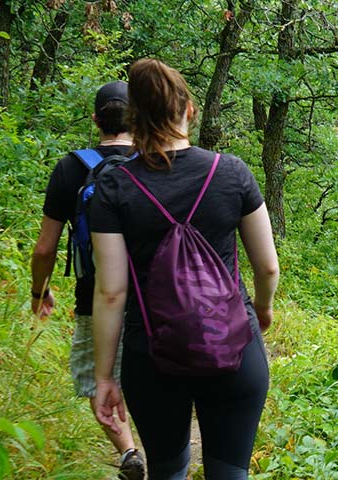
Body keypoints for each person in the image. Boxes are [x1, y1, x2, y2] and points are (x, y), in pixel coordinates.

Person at [87, 58, 280, 480]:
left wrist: (104, 376)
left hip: (152, 356)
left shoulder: (113, 187)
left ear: (134, 118)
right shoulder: (231, 173)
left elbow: (112, 292)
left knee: (168, 472)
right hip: (233, 346)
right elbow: (267, 266)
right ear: (189, 109)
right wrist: (261, 310)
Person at [29, 81, 145, 479]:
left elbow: (45, 248)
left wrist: (39, 291)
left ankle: (128, 449)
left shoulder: (71, 168)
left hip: (93, 295)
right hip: (155, 297)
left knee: (101, 381)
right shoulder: (157, 161)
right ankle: (163, 451)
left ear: (96, 119)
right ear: (138, 117)